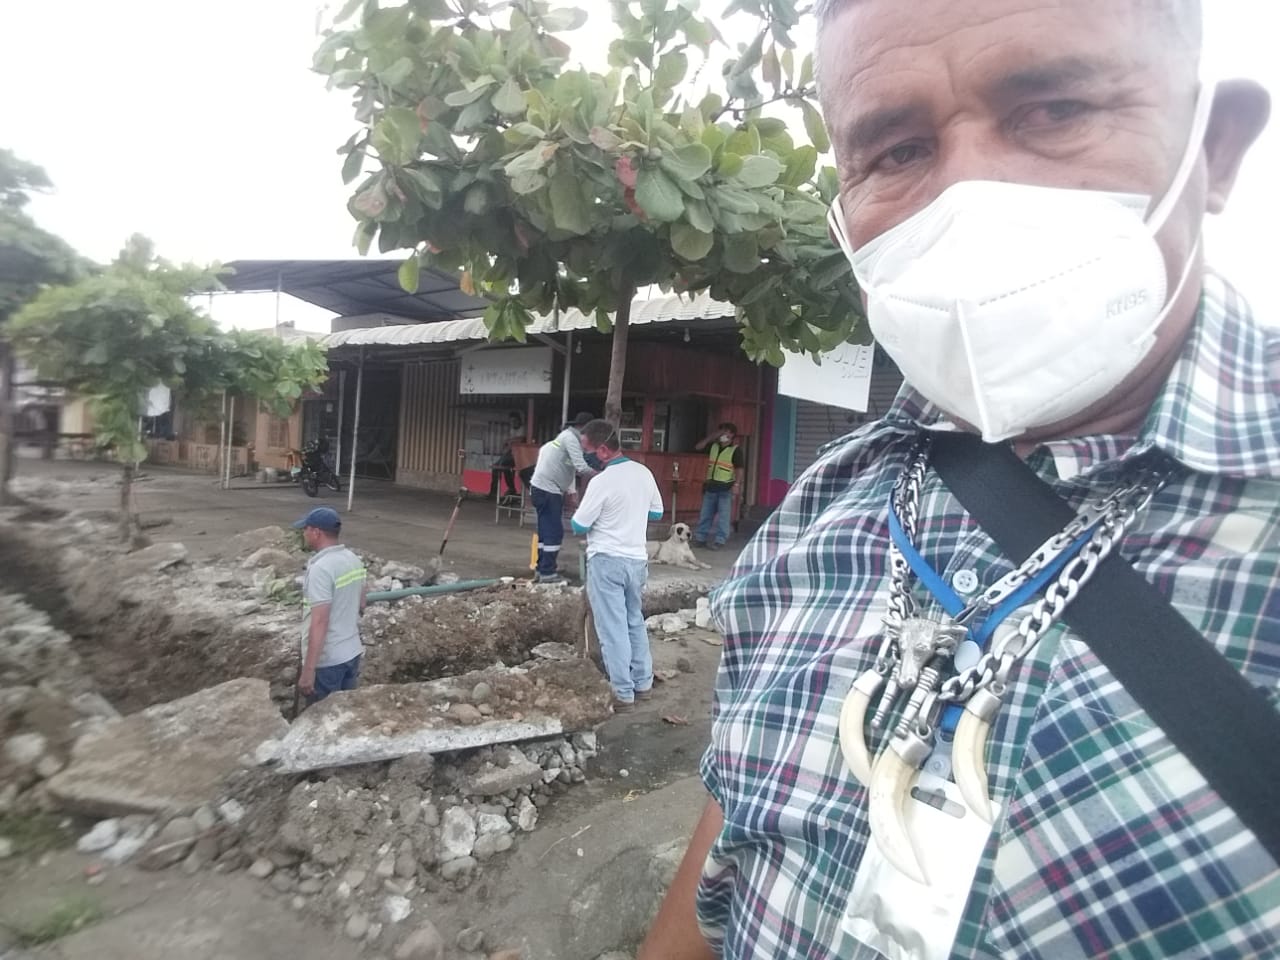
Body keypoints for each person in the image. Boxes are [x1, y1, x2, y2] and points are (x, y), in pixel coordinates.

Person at [641, 2, 1277, 959]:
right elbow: (737, 820)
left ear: (1215, 150)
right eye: (896, 152)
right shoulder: (822, 509)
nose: (968, 194)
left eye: (1055, 109)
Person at [571, 420, 665, 711]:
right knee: (633, 620)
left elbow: (578, 525)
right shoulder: (643, 473)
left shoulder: (601, 482)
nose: (584, 455)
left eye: (586, 449)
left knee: (612, 628)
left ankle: (622, 693)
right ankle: (643, 683)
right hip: (637, 561)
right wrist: (629, 515)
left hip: (607, 561)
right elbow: (657, 513)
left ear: (602, 450)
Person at [293, 506, 367, 705]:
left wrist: (309, 670)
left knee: (321, 719)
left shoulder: (321, 569)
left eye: (306, 529)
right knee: (344, 715)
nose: (304, 533)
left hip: (328, 662)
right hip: (351, 653)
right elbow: (361, 603)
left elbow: (320, 621)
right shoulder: (353, 560)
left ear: (316, 532)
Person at [529, 411, 597, 583]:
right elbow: (580, 467)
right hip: (548, 491)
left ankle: (542, 567)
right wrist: (602, 475)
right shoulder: (570, 439)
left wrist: (571, 491)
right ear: (584, 428)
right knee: (554, 532)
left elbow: (570, 468)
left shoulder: (562, 440)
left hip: (541, 489)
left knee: (545, 531)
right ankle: (547, 573)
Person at [692, 422, 744, 550]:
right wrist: (712, 437)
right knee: (705, 515)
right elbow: (698, 447)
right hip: (711, 487)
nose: (722, 434)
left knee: (723, 517)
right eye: (721, 431)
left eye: (725, 432)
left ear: (732, 435)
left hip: (725, 488)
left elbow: (739, 469)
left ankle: (720, 540)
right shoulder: (713, 446)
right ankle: (700, 538)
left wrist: (737, 484)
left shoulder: (735, 450)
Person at [487, 411, 525, 504]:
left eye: (515, 421)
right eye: (511, 421)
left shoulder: (523, 429)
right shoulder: (512, 430)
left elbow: (520, 439)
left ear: (519, 420)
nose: (513, 423)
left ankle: (511, 488)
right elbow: (511, 445)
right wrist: (506, 449)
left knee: (504, 464)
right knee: (496, 467)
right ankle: (494, 492)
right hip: (511, 454)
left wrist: (509, 440)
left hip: (520, 455)